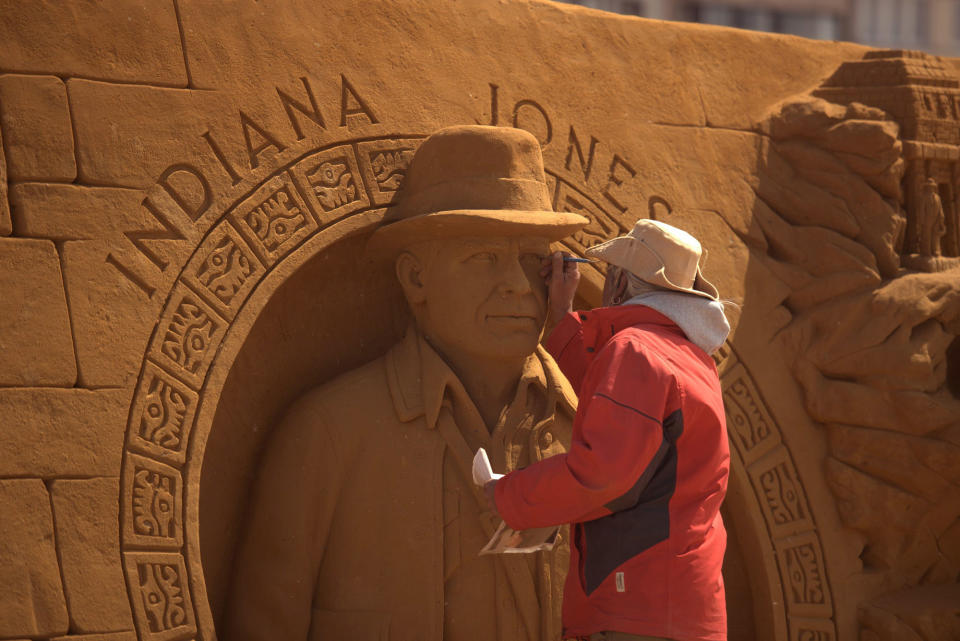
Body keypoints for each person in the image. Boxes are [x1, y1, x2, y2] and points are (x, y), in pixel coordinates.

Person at [224, 125, 589, 641]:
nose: (517, 284)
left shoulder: (590, 432)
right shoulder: (329, 435)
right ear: (416, 279)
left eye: (532, 260)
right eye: (484, 257)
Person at [486, 219, 732, 641]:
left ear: (617, 280)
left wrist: (504, 495)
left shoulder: (634, 350)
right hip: (681, 609)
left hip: (634, 610)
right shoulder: (691, 359)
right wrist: (563, 318)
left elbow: (601, 474)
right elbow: (621, 415)